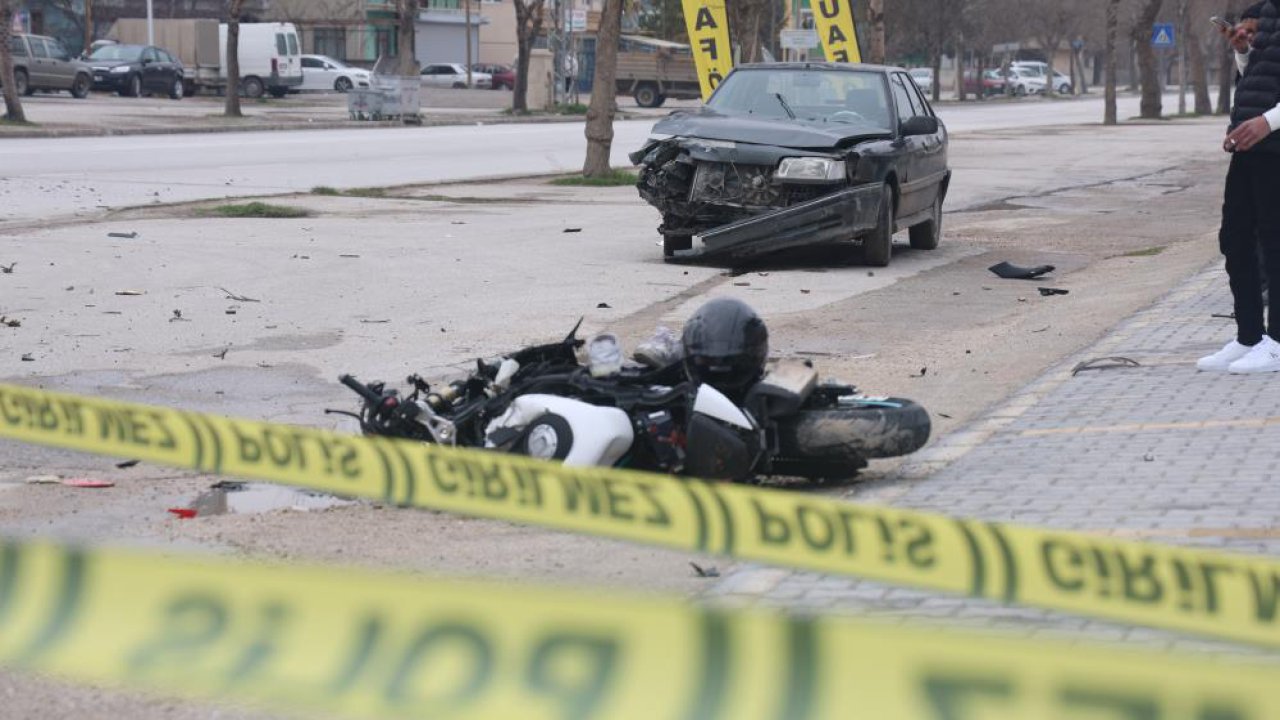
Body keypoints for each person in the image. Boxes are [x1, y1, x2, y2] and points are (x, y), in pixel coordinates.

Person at [1198, 0, 1280, 373]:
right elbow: (1257, 77)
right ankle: (1250, 336)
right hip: (1249, 145)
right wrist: (1243, 52)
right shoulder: (1265, 12)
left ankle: (1277, 342)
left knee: (1275, 242)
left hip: (1273, 142)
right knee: (1234, 237)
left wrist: (1268, 121)